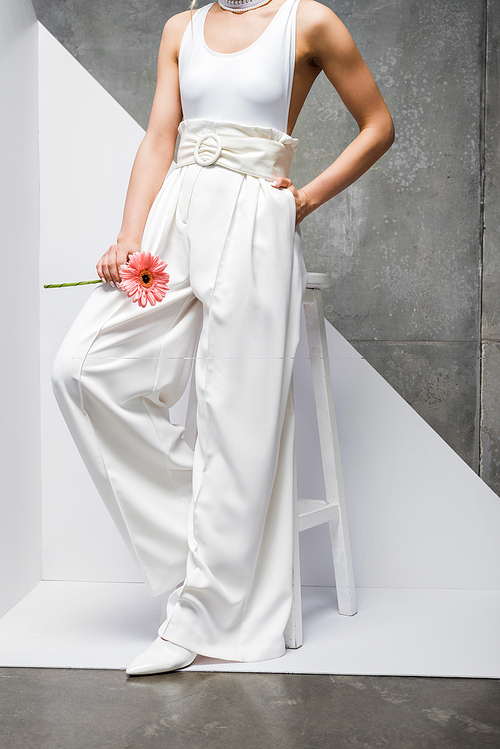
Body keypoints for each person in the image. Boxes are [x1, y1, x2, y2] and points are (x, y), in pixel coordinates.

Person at [51, 0, 394, 676]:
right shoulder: (181, 28)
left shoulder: (310, 21)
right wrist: (128, 233)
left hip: (255, 222)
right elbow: (158, 137)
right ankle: (203, 543)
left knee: (235, 417)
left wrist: (306, 197)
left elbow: (379, 125)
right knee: (83, 369)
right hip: (177, 213)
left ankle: (201, 615)